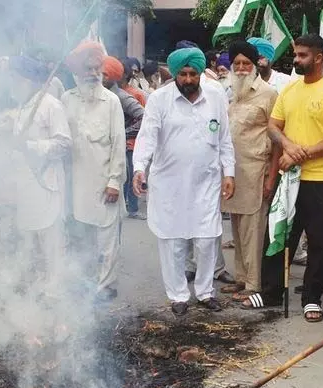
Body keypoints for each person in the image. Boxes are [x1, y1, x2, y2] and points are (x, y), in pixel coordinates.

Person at [239, 34, 323, 323]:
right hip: (289, 179)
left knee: (318, 242)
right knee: (279, 235)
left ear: (320, 57)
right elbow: (274, 127)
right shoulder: (289, 90)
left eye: (302, 55)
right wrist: (289, 148)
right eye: (296, 55)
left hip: (321, 179)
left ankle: (312, 298)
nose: (297, 59)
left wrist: (301, 154)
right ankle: (272, 292)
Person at [132, 47, 235, 316]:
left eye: (193, 74)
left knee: (207, 239)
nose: (188, 80)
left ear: (201, 73)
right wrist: (139, 168)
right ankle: (178, 295)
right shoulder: (159, 99)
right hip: (170, 184)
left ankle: (204, 292)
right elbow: (147, 137)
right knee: (173, 241)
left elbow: (224, 138)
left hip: (206, 182)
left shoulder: (216, 95)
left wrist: (229, 173)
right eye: (183, 74)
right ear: (175, 74)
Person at [63, 42, 127, 302]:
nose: (92, 72)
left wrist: (114, 182)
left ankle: (106, 286)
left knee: (107, 240)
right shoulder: (66, 100)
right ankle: (84, 282)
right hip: (75, 184)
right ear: (77, 71)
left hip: (104, 183)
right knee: (80, 238)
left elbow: (118, 144)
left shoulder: (111, 101)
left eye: (96, 67)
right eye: (87, 68)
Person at [219, 41, 279, 301]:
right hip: (232, 172)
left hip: (257, 170)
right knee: (236, 225)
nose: (242, 68)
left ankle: (254, 285)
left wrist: (271, 175)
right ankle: (241, 279)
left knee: (253, 229)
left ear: (255, 66)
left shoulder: (269, 94)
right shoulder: (227, 92)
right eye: (237, 64)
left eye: (246, 64)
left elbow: (277, 138)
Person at [7, 55, 71, 288]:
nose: (11, 82)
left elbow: (64, 144)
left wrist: (30, 146)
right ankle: (38, 288)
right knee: (31, 242)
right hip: (26, 186)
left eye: (14, 77)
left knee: (52, 244)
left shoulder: (51, 105)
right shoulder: (24, 106)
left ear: (27, 79)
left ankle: (55, 293)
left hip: (47, 184)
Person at [102, 55, 145, 221]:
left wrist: (122, 133)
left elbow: (144, 117)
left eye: (104, 74)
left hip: (122, 149)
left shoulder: (120, 97)